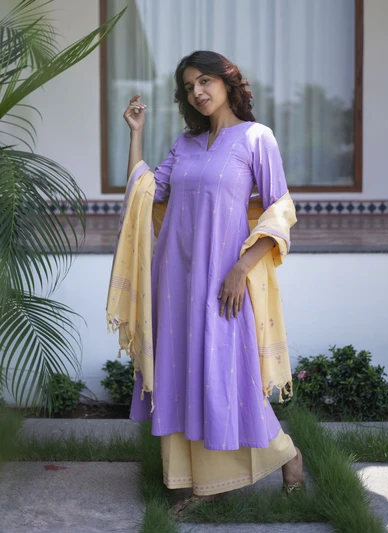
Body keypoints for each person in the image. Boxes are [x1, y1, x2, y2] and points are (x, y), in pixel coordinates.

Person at [119, 50, 303, 518]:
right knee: (180, 373)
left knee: (227, 375)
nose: (197, 92)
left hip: (224, 281)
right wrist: (135, 135)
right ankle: (192, 482)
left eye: (204, 81)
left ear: (227, 81)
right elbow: (145, 196)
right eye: (188, 87)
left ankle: (286, 454)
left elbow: (279, 209)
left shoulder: (256, 138)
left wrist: (242, 268)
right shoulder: (185, 143)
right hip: (174, 282)